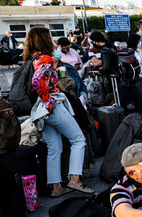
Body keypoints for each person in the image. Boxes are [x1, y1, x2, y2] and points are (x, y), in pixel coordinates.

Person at [26, 26, 93, 197]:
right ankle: (75, 179)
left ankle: (56, 186)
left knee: (54, 147)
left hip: (40, 109)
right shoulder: (45, 59)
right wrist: (49, 102)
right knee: (78, 139)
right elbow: (37, 81)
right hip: (51, 105)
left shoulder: (31, 58)